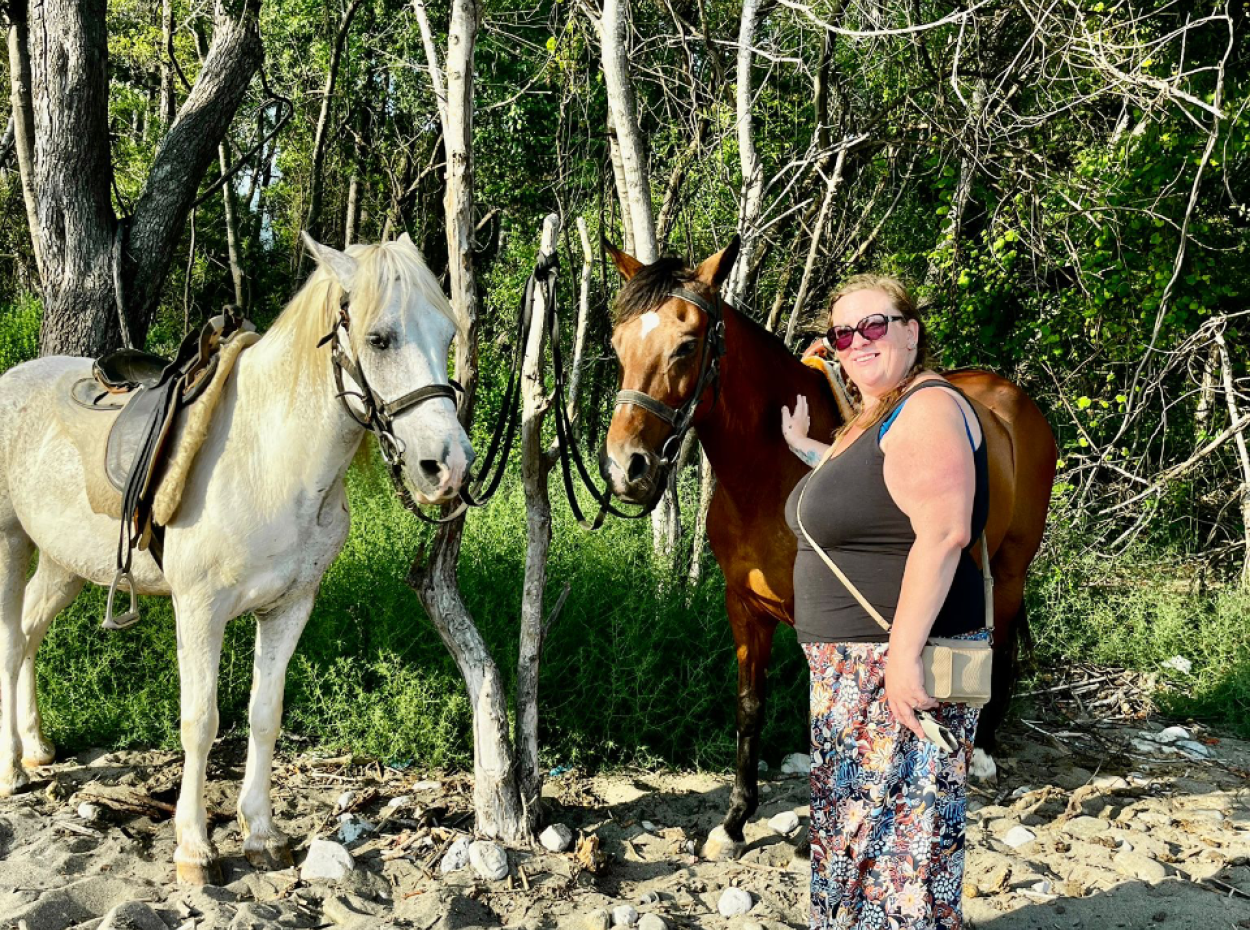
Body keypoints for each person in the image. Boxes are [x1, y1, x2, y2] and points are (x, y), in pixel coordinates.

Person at [781, 274, 989, 930]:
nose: (856, 342)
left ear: (910, 329)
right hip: (863, 666)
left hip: (900, 658)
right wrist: (805, 448)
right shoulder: (883, 414)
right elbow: (869, 486)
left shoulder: (927, 406)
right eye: (842, 333)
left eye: (874, 325)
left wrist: (902, 659)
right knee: (882, 833)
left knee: (897, 842)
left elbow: (945, 531)